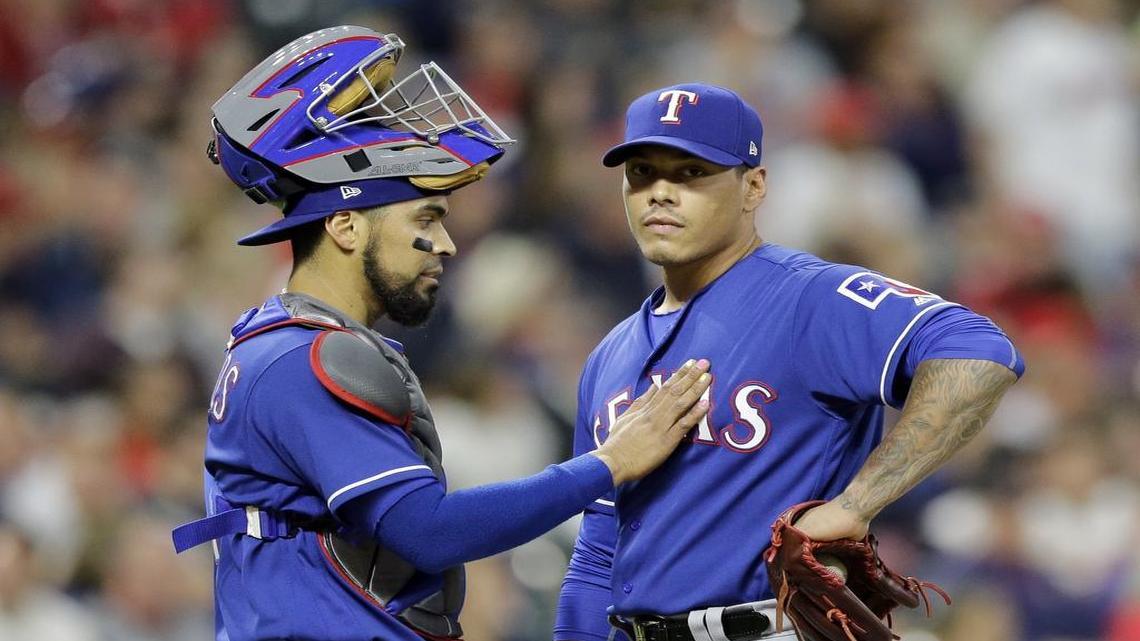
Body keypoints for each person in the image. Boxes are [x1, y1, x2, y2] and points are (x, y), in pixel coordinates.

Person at [170, 27, 712, 641]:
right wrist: (608, 463)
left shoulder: (279, 341)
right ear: (346, 227)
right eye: (425, 218)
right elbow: (427, 531)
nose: (446, 244)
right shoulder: (309, 356)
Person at [554, 83, 1024, 641]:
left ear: (754, 187)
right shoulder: (608, 355)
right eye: (642, 173)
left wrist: (858, 502)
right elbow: (597, 550)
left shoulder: (809, 298)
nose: (660, 192)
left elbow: (978, 351)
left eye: (691, 174)